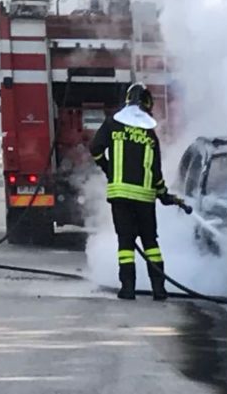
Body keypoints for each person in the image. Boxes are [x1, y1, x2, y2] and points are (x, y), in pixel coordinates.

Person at [89, 82, 181, 301]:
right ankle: (159, 290)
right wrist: (163, 193)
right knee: (151, 243)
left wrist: (108, 168)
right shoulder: (149, 134)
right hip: (145, 198)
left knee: (126, 243)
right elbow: (155, 170)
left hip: (120, 196)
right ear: (147, 104)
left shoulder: (113, 124)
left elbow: (95, 149)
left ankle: (128, 289)